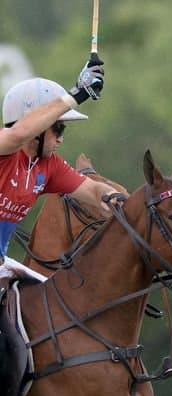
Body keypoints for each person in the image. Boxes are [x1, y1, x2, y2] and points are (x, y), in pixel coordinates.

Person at [0, 60, 109, 285]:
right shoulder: (5, 147)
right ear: (37, 128)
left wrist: (132, 207)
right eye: (57, 128)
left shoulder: (49, 166)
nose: (60, 138)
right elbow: (18, 135)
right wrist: (76, 95)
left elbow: (95, 191)